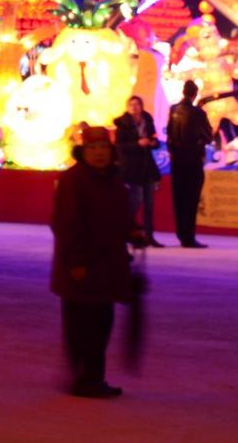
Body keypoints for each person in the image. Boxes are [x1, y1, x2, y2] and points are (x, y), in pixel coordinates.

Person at [49, 124, 134, 399]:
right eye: (93, 148)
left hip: (107, 266)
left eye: (103, 148)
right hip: (82, 269)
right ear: (82, 151)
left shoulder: (112, 179)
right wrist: (76, 263)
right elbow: (66, 224)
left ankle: (92, 377)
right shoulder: (74, 180)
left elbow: (120, 215)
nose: (99, 153)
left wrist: (134, 230)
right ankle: (86, 378)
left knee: (101, 323)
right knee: (84, 326)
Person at [163, 80, 213, 248]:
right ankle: (188, 236)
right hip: (192, 159)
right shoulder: (198, 113)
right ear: (194, 93)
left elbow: (169, 133)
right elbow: (208, 136)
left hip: (177, 159)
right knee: (191, 199)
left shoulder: (173, 110)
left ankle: (181, 233)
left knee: (179, 197)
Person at [113, 96, 163, 248]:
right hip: (132, 167)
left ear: (141, 106)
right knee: (135, 200)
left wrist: (153, 142)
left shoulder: (147, 120)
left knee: (149, 204)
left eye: (137, 104)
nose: (134, 107)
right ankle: (124, 232)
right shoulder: (122, 124)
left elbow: (154, 139)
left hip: (147, 166)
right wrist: (137, 143)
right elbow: (120, 147)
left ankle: (149, 236)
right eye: (131, 105)